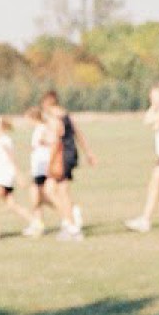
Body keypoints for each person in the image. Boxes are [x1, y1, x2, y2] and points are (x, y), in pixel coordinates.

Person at [42, 91, 97, 241]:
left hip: (61, 157)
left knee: (57, 191)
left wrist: (50, 164)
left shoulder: (54, 119)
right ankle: (69, 220)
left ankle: (72, 224)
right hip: (70, 155)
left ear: (47, 103)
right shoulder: (66, 115)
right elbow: (78, 134)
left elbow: (55, 142)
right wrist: (88, 153)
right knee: (55, 190)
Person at [125, 82, 159, 233]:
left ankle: (145, 220)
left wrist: (157, 110)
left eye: (154, 96)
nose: (151, 99)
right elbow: (147, 120)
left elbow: (156, 124)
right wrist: (154, 107)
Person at [0, 117, 39, 239]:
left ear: (0, 127)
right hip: (0, 176)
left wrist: (18, 175)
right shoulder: (1, 140)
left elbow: (11, 158)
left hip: (2, 177)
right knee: (12, 204)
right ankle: (35, 222)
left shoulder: (4, 140)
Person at [22, 106, 52, 236]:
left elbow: (52, 142)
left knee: (41, 196)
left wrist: (45, 142)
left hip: (44, 168)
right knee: (36, 196)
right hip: (37, 168)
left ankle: (69, 211)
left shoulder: (43, 128)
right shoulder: (37, 129)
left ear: (33, 118)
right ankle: (39, 224)